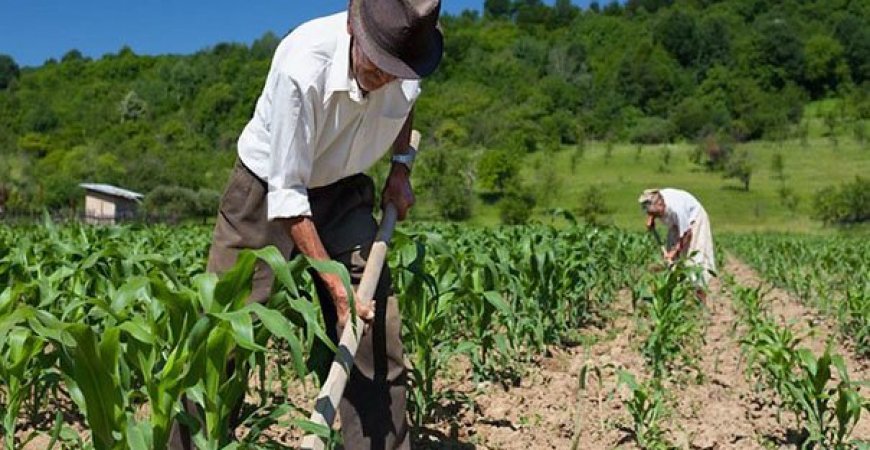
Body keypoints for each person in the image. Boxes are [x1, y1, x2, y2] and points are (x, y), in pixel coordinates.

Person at [168, 0, 443, 449]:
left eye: (399, 70)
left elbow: (405, 106)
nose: (389, 78)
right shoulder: (302, 64)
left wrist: (399, 169)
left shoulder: (410, 56)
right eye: (379, 66)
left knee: (374, 329)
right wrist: (336, 290)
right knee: (225, 334)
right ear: (355, 28)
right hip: (267, 190)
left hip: (345, 185)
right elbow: (288, 196)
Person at [638, 188, 716, 296]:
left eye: (658, 214)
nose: (659, 217)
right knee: (671, 262)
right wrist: (652, 217)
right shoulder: (655, 198)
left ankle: (699, 300)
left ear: (661, 205)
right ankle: (677, 294)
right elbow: (651, 204)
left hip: (694, 220)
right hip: (676, 223)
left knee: (694, 260)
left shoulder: (677, 209)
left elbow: (687, 234)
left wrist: (674, 251)